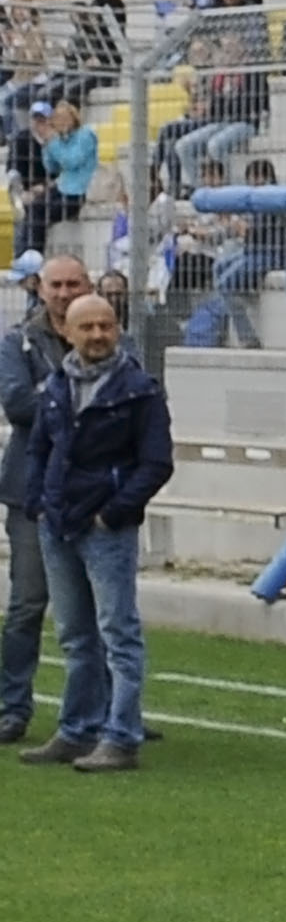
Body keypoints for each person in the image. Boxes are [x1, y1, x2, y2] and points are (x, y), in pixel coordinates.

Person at [12, 284, 165, 772]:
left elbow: (156, 462)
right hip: (57, 525)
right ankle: (77, 730)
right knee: (75, 636)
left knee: (118, 634)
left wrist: (114, 512)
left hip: (105, 529)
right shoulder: (57, 383)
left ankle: (121, 736)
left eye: (106, 325)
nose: (98, 334)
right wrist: (39, 503)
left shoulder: (140, 388)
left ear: (117, 329)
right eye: (88, 327)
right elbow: (38, 448)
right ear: (67, 331)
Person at [0, 247, 92, 746]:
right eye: (54, 285)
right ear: (39, 288)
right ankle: (12, 707)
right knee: (27, 603)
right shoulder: (18, 342)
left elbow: (130, 401)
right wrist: (80, 395)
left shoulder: (106, 335)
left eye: (72, 284)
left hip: (92, 490)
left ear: (88, 285)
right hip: (31, 490)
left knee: (102, 611)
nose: (63, 294)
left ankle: (110, 713)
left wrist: (53, 397)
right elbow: (18, 405)